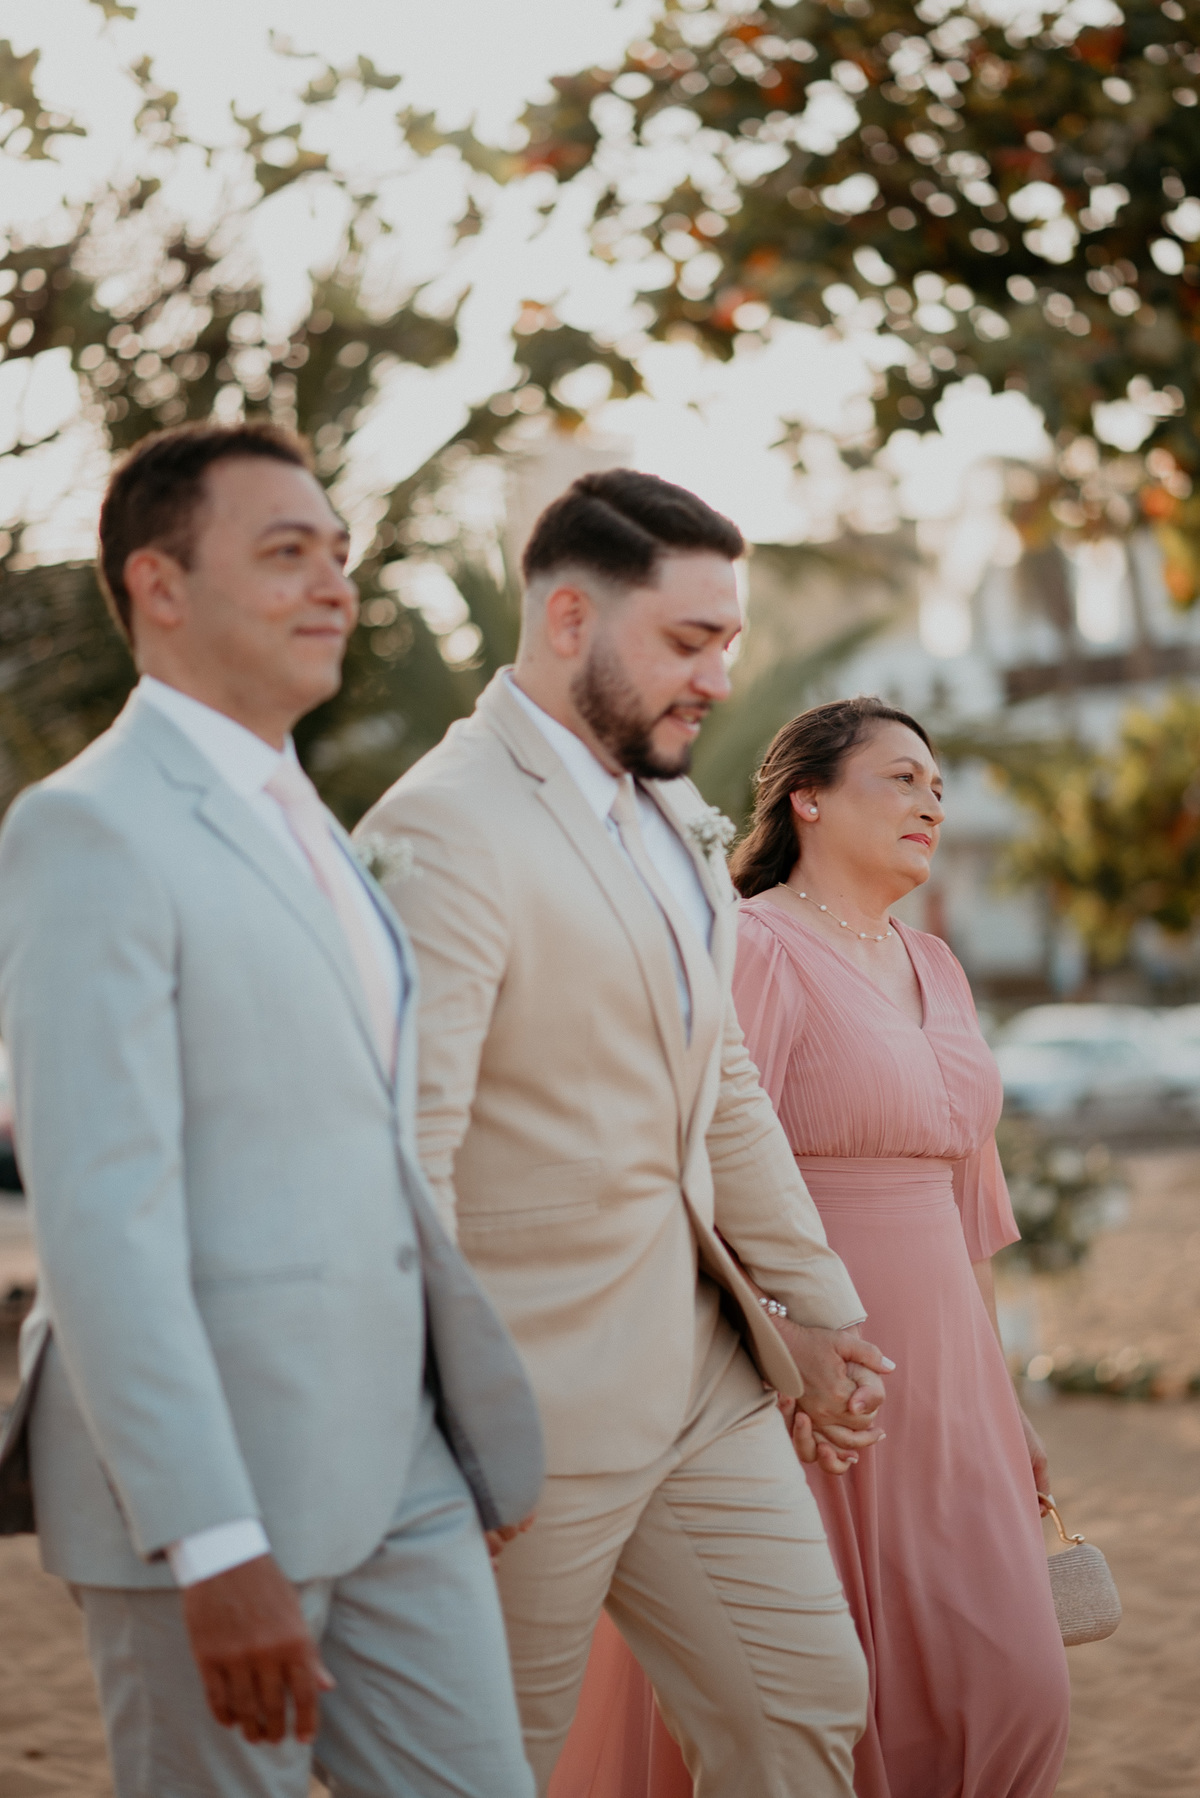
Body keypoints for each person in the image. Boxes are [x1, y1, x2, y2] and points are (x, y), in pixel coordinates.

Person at [0, 422, 543, 1798]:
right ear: (159, 585)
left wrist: (455, 1417)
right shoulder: (89, 829)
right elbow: (101, 1221)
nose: (336, 585)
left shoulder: (307, 817)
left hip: (404, 1456)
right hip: (215, 1481)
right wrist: (210, 1536)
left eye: (341, 554)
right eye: (286, 552)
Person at [355, 469, 894, 1798]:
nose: (719, 675)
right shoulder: (443, 827)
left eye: (731, 641)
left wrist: (816, 1309)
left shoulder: (667, 820)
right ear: (568, 617)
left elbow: (721, 1088)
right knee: (475, 1767)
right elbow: (400, 1162)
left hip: (699, 1377)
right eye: (688, 639)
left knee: (802, 1705)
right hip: (524, 1405)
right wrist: (440, 1428)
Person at [729, 698, 1070, 1798]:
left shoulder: (940, 964)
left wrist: (1002, 1391)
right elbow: (707, 1180)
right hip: (814, 1373)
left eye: (938, 783)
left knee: (1017, 1685)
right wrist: (783, 1344)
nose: (931, 798)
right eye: (902, 777)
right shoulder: (753, 946)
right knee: (847, 1702)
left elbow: (970, 1203)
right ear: (808, 797)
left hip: (956, 1377)